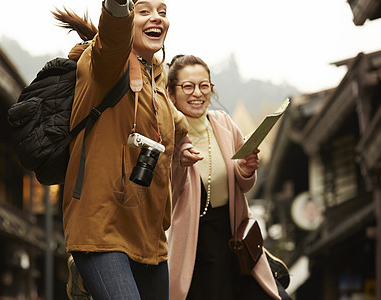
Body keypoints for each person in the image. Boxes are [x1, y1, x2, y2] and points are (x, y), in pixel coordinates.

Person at [55, 1, 189, 299]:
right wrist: (118, 6)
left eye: (163, 12)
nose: (157, 18)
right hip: (102, 228)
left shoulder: (157, 77)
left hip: (149, 236)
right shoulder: (105, 62)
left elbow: (174, 122)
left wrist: (185, 139)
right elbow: (114, 34)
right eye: (144, 11)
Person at [167, 54, 291, 300]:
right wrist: (179, 164)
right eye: (188, 86)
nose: (197, 93)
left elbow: (243, 184)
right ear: (172, 93)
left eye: (204, 86)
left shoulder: (223, 123)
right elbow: (165, 194)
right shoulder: (167, 134)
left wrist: (245, 170)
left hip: (235, 237)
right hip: (195, 245)